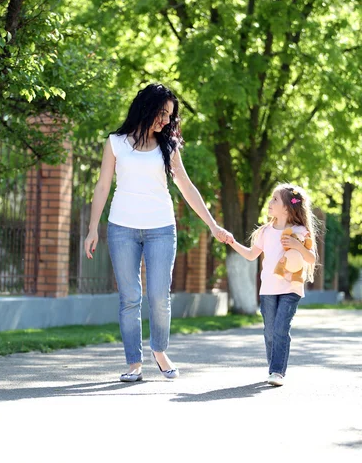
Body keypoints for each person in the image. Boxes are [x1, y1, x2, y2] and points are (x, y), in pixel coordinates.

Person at [84, 83, 233, 382]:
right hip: (121, 228)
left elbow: (187, 187)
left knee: (159, 296)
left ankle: (160, 351)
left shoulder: (168, 146)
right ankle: (133, 364)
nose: (166, 120)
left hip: (161, 229)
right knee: (129, 298)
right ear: (146, 107)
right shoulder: (115, 143)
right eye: (162, 113)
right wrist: (92, 229)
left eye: (170, 116)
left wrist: (212, 224)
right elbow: (102, 186)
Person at [227, 183, 317, 386]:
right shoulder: (265, 232)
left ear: (286, 207)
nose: (270, 202)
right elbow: (251, 255)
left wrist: (297, 246)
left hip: (290, 289)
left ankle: (277, 371)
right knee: (269, 331)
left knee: (280, 329)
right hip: (268, 289)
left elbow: (310, 258)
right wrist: (232, 242)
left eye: (274, 199)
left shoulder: (299, 231)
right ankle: (273, 368)